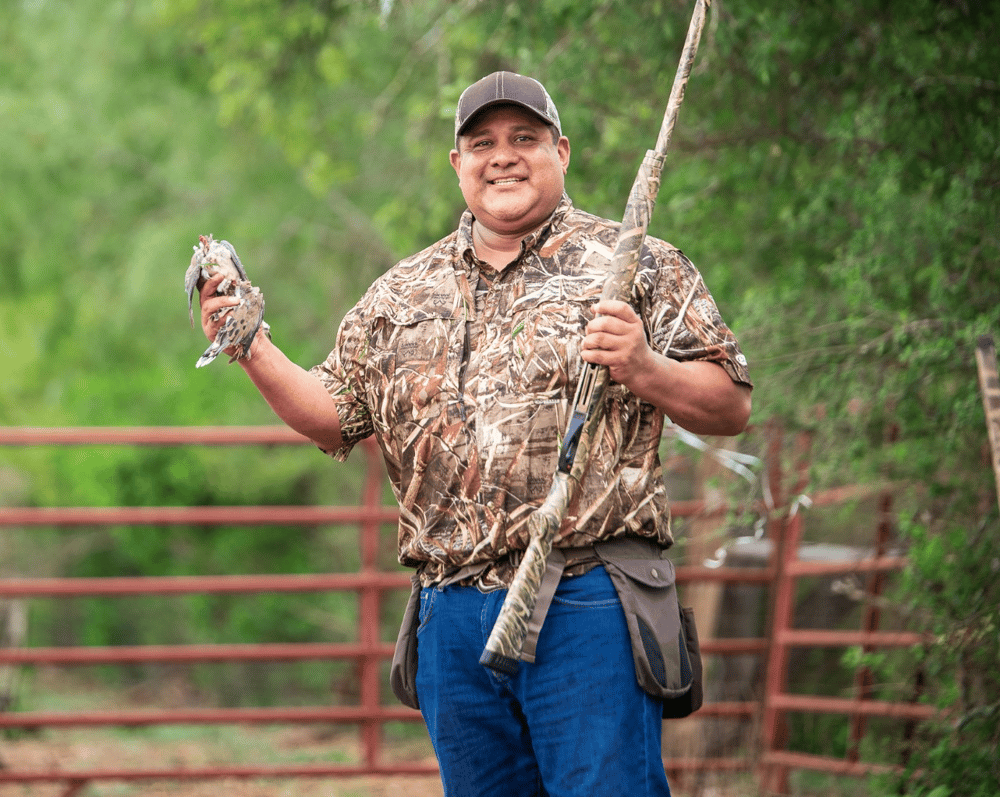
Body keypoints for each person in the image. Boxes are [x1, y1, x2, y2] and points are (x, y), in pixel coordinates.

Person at [197, 71, 752, 797]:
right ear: (456, 164)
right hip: (450, 612)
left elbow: (730, 405)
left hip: (587, 601)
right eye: (482, 142)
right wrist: (249, 341)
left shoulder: (635, 262)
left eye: (524, 138)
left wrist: (645, 366)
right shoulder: (400, 292)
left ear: (562, 150)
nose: (504, 156)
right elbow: (333, 415)